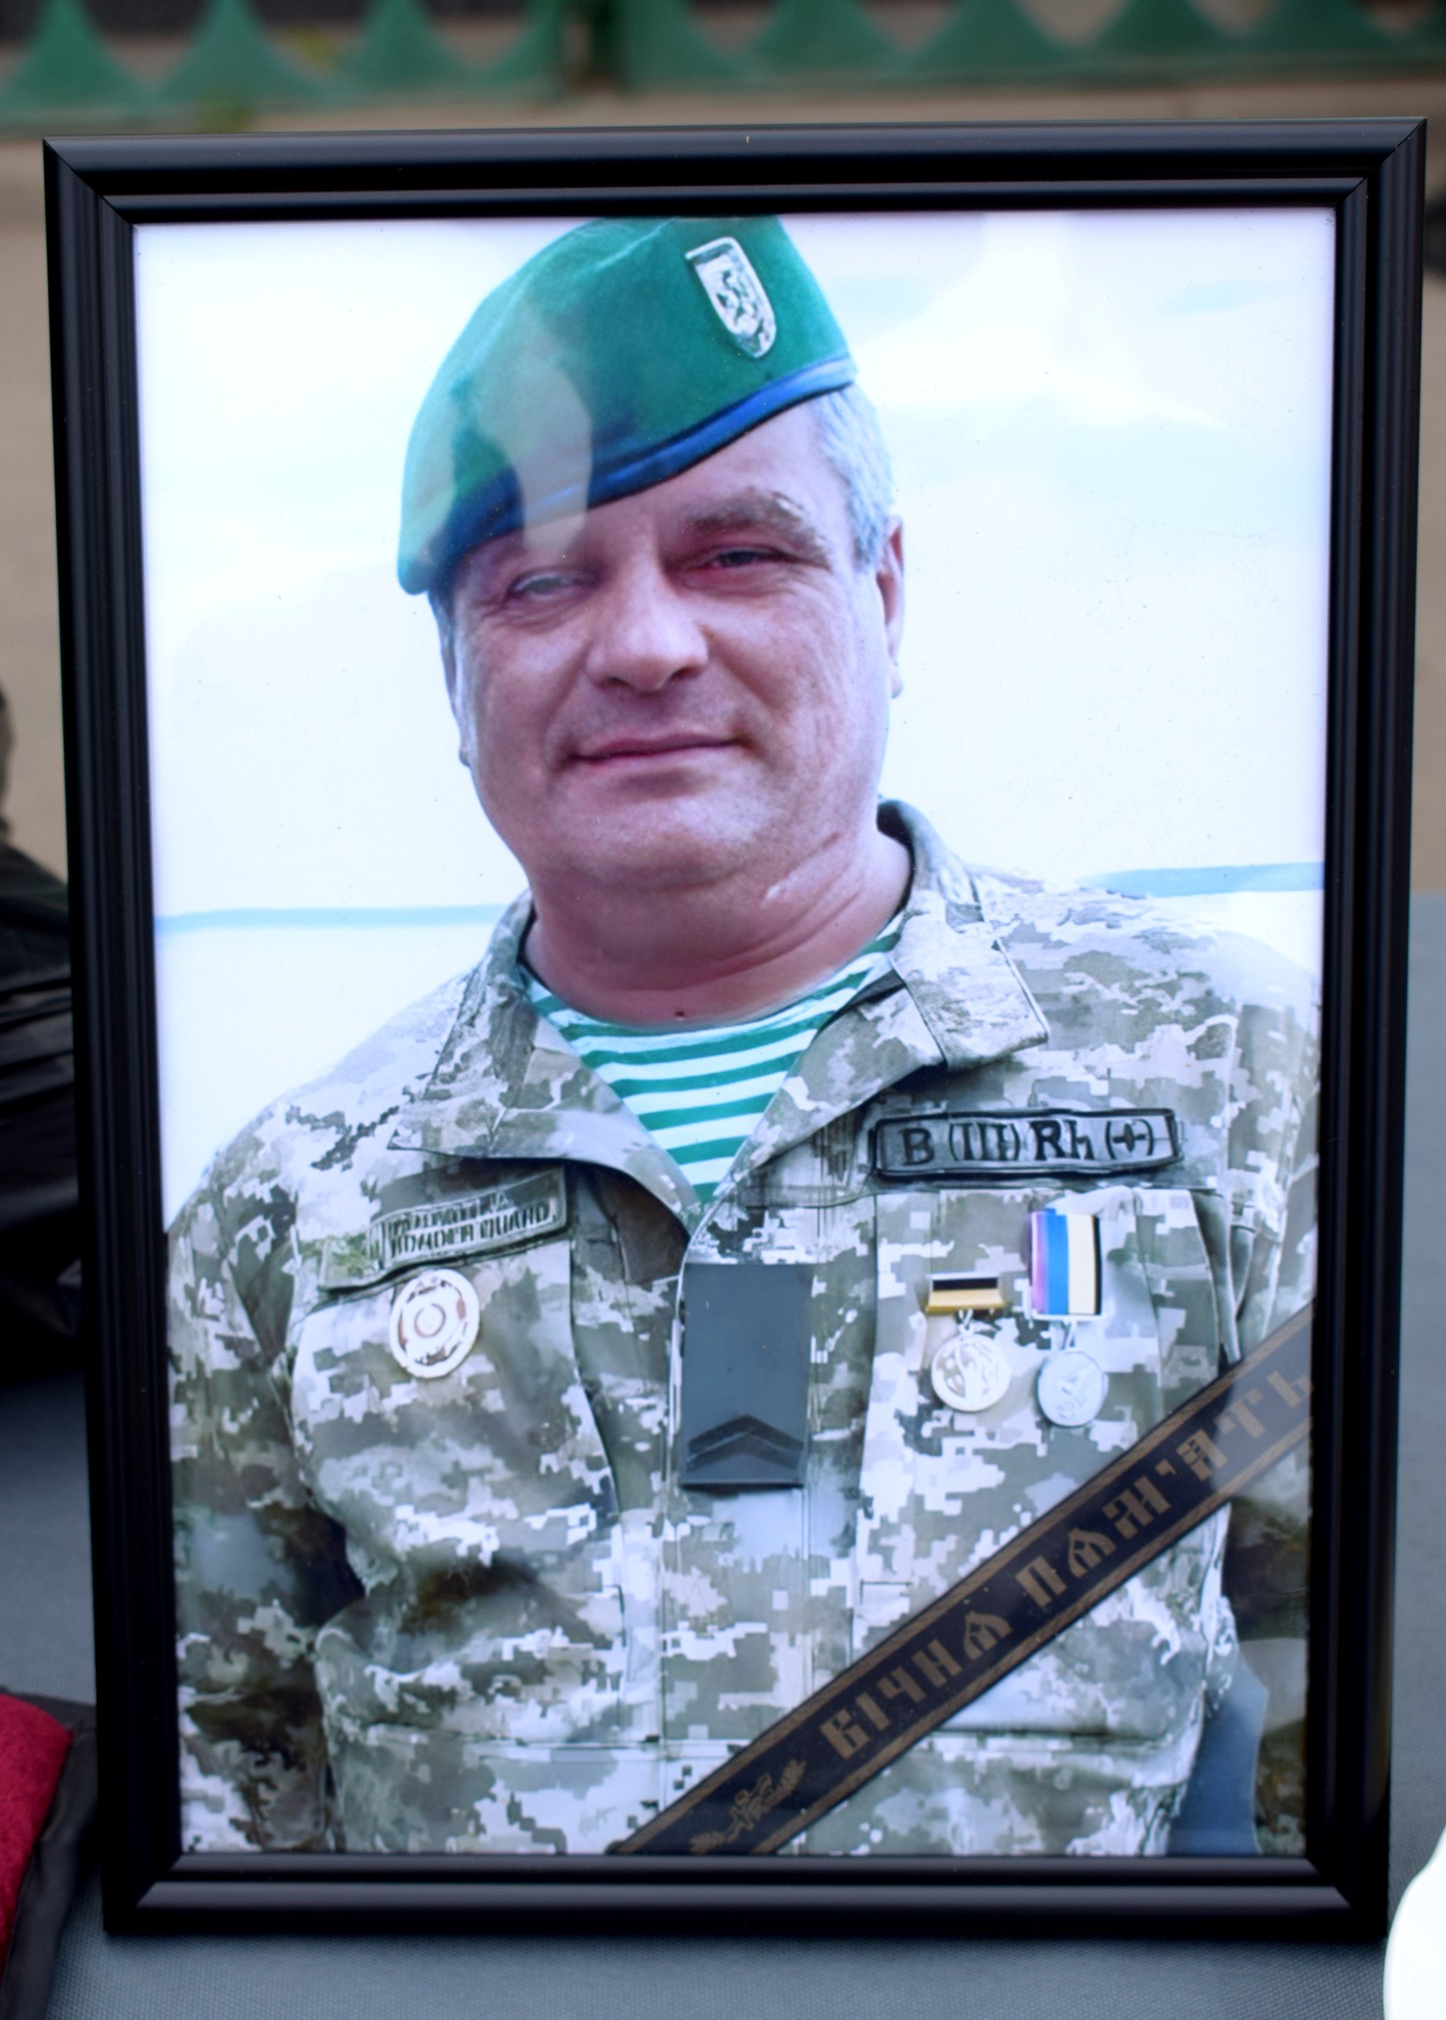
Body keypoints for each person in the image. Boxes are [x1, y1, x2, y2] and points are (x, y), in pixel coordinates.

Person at [169, 216, 1317, 1860]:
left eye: (736, 555)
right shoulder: (285, 1212)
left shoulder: (1235, 1081)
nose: (646, 644)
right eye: (545, 581)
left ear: (884, 595)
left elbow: (1358, 1707)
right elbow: (225, 1792)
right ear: (455, 674)